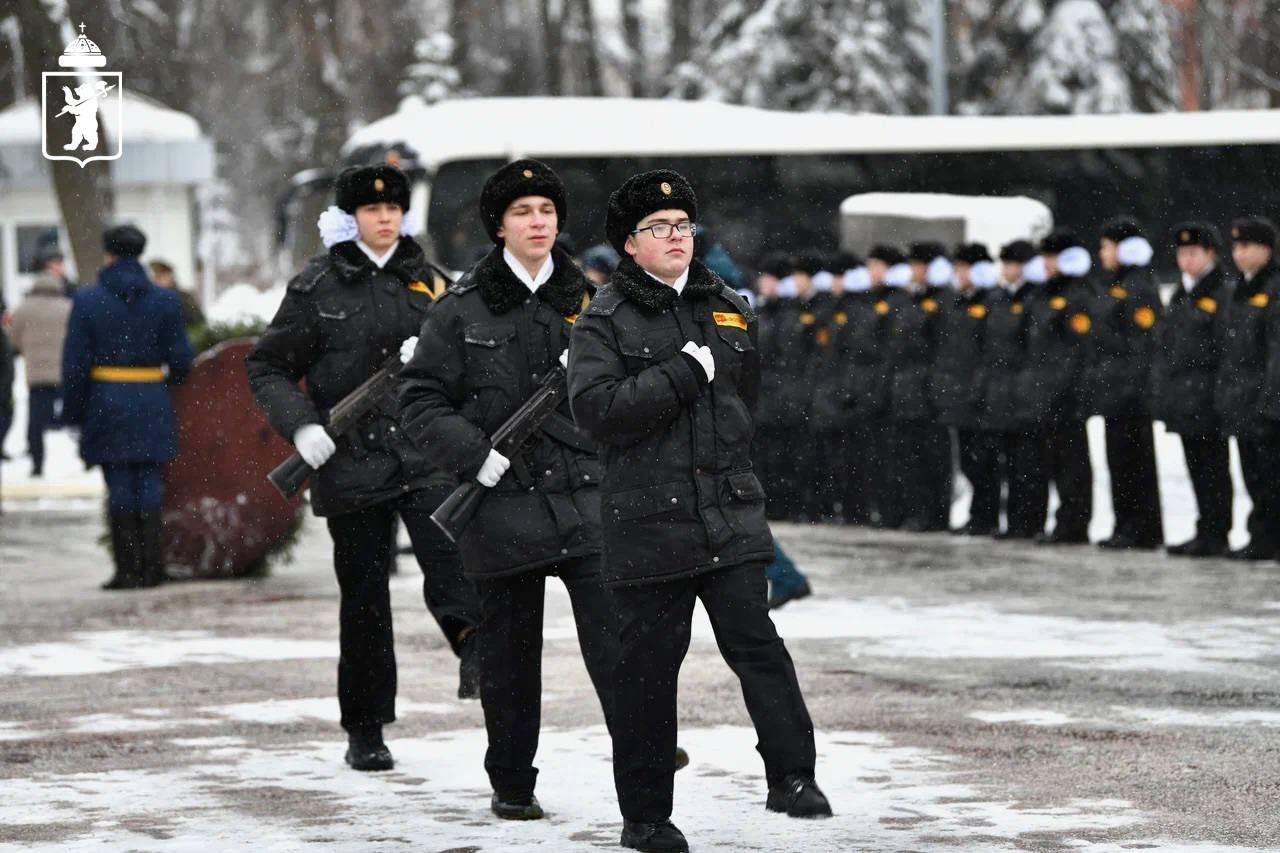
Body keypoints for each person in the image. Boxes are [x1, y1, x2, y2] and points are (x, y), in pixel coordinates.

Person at [569, 169, 830, 853]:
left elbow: (748, 397)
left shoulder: (724, 304)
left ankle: (792, 775)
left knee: (759, 645)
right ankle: (647, 816)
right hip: (649, 520)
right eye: (659, 228)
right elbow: (597, 410)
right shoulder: (602, 318)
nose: (675, 236)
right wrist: (679, 373)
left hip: (729, 511)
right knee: (649, 670)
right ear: (630, 244)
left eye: (682, 225)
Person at [397, 159, 634, 821]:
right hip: (500, 506)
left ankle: (643, 754)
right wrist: (474, 455)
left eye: (548, 212)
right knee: (508, 657)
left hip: (586, 498)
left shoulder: (597, 303)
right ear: (499, 226)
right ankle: (512, 779)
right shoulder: (461, 307)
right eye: (524, 212)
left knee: (619, 638)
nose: (539, 223)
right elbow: (417, 401)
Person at [246, 164, 482, 772]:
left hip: (425, 456)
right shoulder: (317, 286)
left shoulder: (431, 284)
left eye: (394, 209)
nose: (385, 218)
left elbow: (465, 365)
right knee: (365, 602)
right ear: (351, 219)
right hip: (350, 461)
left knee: (458, 567)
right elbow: (268, 366)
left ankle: (480, 659)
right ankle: (366, 726)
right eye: (373, 210)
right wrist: (302, 424)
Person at [62, 225, 194, 589]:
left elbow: (74, 364)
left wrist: (73, 412)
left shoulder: (87, 301)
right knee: (150, 482)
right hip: (151, 396)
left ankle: (127, 569)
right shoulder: (166, 301)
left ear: (108, 255)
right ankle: (152, 567)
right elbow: (182, 359)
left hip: (106, 398)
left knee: (118, 482)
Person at [1154, 223, 1233, 557]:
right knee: (1196, 465)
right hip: (1184, 393)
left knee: (1214, 466)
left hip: (1209, 391)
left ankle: (1217, 531)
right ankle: (1205, 527)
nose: (1185, 260)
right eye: (1181, 253)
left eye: (1193, 253)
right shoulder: (1182, 293)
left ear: (1211, 254)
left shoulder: (1222, 291)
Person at [1092, 219, 1163, 550]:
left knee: (1134, 462)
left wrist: (1132, 388)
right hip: (1114, 388)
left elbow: (1142, 344)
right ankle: (1127, 524)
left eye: (1107, 246)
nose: (1102, 253)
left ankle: (1141, 527)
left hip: (1129, 393)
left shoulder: (1139, 288)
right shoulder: (1117, 284)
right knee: (1119, 462)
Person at [1217, 216, 1280, 560]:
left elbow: (1274, 353)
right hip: (1242, 400)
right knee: (1253, 476)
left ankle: (1269, 538)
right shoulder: (1238, 290)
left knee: (1272, 477)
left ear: (1266, 250)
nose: (1238, 254)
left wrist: (1270, 402)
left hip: (1265, 403)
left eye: (1246, 247)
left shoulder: (1273, 288)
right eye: (1235, 247)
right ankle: (1261, 536)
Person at [1027, 230, 1094, 544]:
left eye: (1051, 258)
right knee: (1055, 462)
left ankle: (1074, 522)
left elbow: (1076, 348)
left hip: (1066, 394)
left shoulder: (1078, 293)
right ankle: (1065, 519)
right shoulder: (1045, 292)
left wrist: (1063, 387)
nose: (1046, 264)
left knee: (1072, 463)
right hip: (1046, 389)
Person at [980, 240, 1049, 540]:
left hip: (1024, 389)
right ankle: (1014, 520)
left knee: (1029, 463)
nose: (1007, 270)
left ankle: (1029, 521)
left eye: (1013, 264)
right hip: (1001, 389)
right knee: (1008, 461)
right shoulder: (997, 298)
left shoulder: (1035, 297)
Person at [934, 243, 1000, 536]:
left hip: (982, 394)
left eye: (963, 267)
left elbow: (990, 352)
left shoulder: (992, 301)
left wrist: (978, 388)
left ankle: (986, 516)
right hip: (960, 392)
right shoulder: (957, 303)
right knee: (970, 460)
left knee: (985, 460)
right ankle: (978, 514)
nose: (958, 274)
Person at [887, 242, 953, 532]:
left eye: (919, 265)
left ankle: (934, 513)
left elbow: (942, 350)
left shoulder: (943, 301)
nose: (914, 271)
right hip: (908, 389)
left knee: (933, 457)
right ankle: (917, 510)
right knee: (910, 457)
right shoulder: (909, 300)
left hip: (928, 390)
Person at [851, 245, 910, 528]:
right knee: (872, 456)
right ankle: (880, 509)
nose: (872, 272)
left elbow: (890, 351)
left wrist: (881, 388)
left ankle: (893, 511)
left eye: (878, 266)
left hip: (886, 388)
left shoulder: (898, 301)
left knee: (892, 456)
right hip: (868, 386)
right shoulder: (868, 300)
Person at [8, 273, 73, 477]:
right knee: (71, 417)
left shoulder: (23, 309)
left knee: (36, 422)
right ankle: (81, 459)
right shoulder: (68, 307)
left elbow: (13, 341)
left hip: (37, 375)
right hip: (64, 373)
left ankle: (37, 462)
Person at [149, 260, 206, 328]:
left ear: (170, 275)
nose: (159, 280)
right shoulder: (151, 301)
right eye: (157, 276)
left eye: (162, 276)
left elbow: (199, 323)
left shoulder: (185, 297)